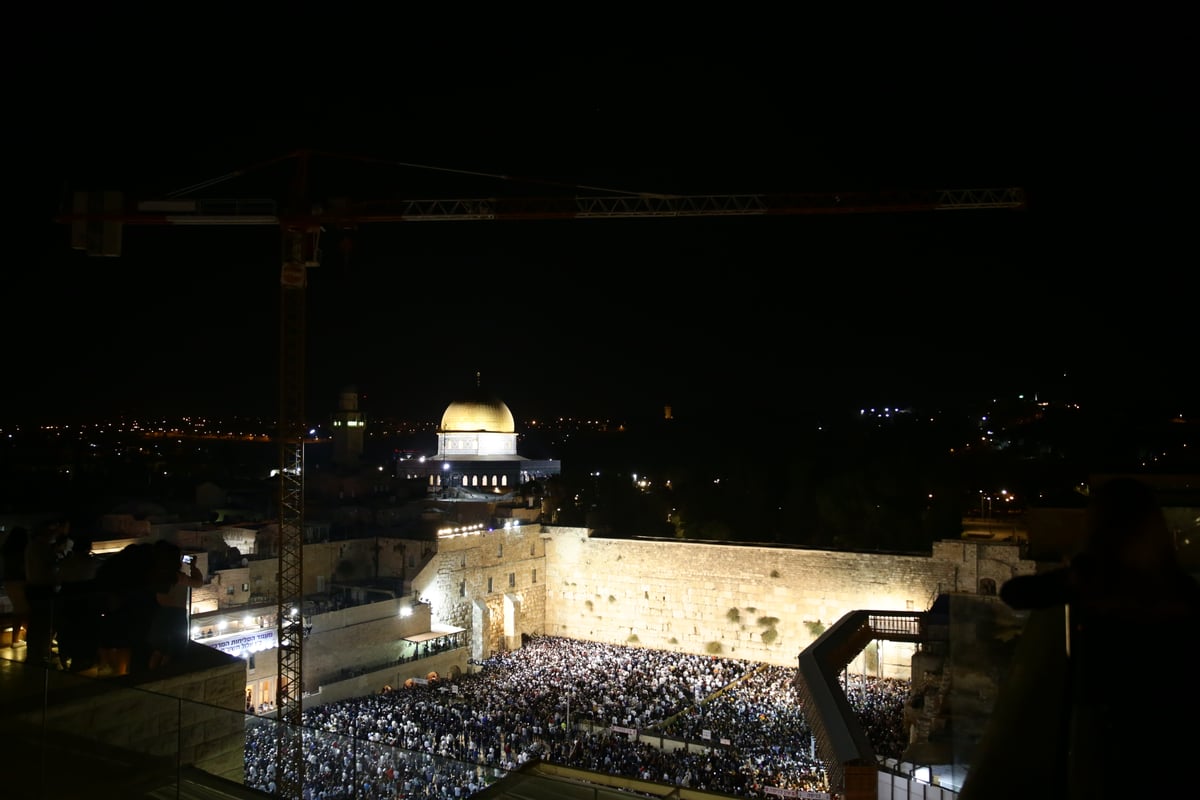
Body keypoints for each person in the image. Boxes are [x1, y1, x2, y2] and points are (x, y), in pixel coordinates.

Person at [968, 477, 1200, 800]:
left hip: (1104, 723)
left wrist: (1078, 571)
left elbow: (1017, 594)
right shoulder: (1181, 588)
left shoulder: (1096, 578)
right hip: (1172, 730)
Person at [148, 547, 204, 668]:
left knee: (159, 650)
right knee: (173, 650)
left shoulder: (157, 575)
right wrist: (193, 567)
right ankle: (166, 674)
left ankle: (151, 674)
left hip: (160, 613)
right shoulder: (178, 577)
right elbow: (198, 582)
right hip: (176, 614)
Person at [2, 526, 30, 649]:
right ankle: (32, 640)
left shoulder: (7, 550)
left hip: (9, 582)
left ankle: (15, 639)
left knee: (18, 610)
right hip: (21, 582)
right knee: (25, 611)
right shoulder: (24, 551)